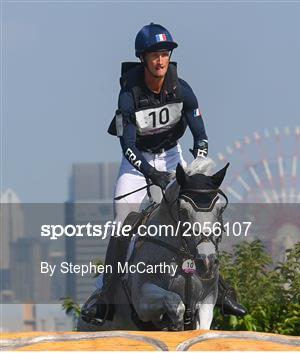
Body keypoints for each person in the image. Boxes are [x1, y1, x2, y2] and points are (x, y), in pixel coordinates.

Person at [81, 23, 247, 324]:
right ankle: (105, 294)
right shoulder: (129, 96)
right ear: (143, 58)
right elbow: (128, 145)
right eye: (155, 55)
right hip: (137, 162)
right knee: (122, 224)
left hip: (172, 157)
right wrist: (150, 174)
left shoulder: (182, 90)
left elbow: (200, 137)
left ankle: (220, 290)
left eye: (165, 54)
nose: (161, 61)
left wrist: (199, 163)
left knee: (197, 217)